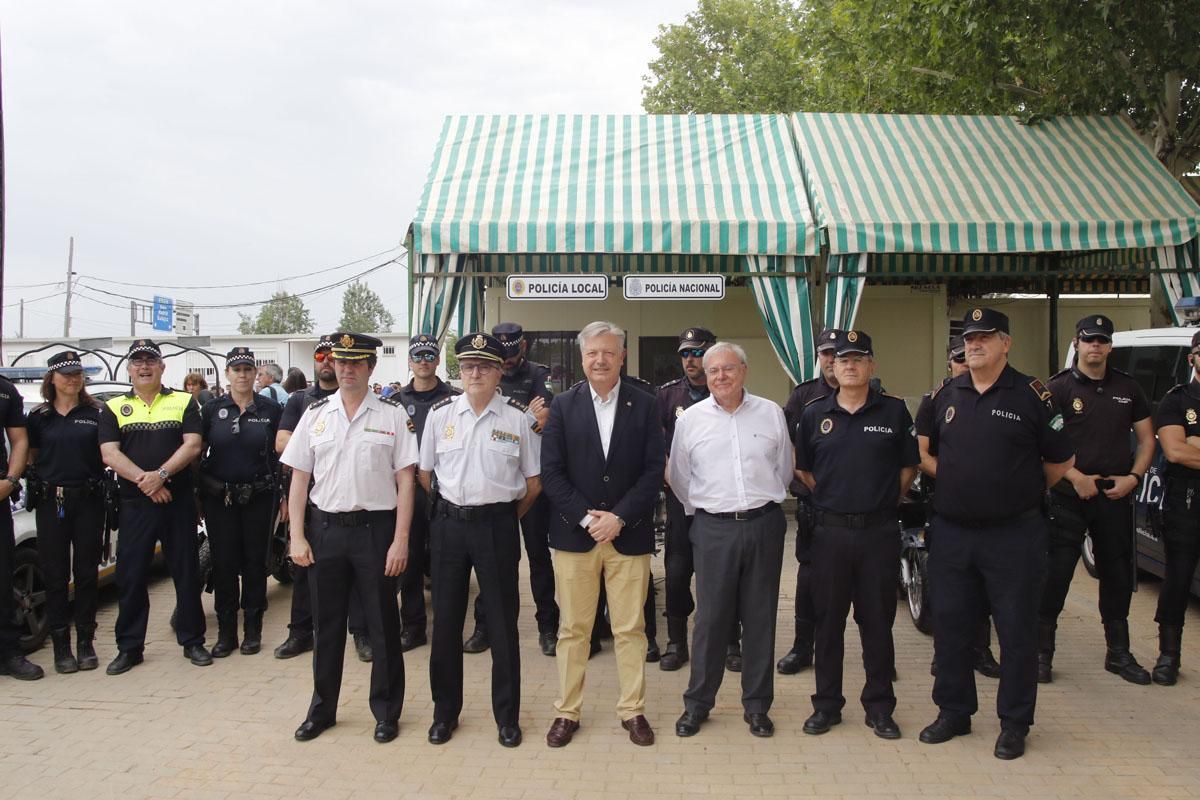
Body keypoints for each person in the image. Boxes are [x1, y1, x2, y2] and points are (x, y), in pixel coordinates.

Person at [919, 308, 1073, 760]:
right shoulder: (946, 394)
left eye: (985, 336)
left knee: (1016, 631)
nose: (974, 344)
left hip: (1014, 536)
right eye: (969, 338)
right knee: (950, 627)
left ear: (1006, 343)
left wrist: (1016, 491)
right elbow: (922, 449)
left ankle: (1014, 723)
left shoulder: (1034, 395)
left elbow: (1061, 461)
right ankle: (954, 712)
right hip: (952, 534)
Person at [282, 332, 417, 744]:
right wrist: (296, 537)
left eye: (356, 362)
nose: (347, 369)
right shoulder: (315, 413)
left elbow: (407, 480)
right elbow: (300, 478)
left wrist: (401, 540)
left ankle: (386, 712)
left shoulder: (392, 414)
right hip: (326, 533)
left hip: (376, 532)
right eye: (341, 362)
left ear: (371, 367)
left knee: (382, 626)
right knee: (326, 628)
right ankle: (322, 711)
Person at [541, 321, 665, 748]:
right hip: (576, 538)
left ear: (622, 356)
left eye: (608, 352)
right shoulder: (562, 405)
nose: (600, 360)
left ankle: (633, 710)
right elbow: (552, 474)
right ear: (582, 358)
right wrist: (588, 518)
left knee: (631, 628)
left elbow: (653, 472)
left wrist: (619, 518)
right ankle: (566, 712)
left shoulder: (646, 405)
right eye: (593, 353)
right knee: (574, 629)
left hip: (627, 537)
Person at [795, 330, 918, 740]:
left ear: (871, 366)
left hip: (878, 535)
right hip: (829, 535)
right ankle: (827, 706)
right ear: (832, 365)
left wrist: (879, 502)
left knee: (877, 625)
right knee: (828, 624)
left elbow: (907, 469)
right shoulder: (814, 413)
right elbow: (804, 470)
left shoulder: (894, 412)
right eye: (842, 359)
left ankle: (880, 707)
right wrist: (834, 499)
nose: (849, 365)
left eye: (858, 359)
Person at [420, 333, 541, 748]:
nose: (476, 373)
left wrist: (504, 516)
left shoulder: (518, 419)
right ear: (460, 370)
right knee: (447, 624)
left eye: (485, 366)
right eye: (469, 366)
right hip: (449, 527)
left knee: (504, 626)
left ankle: (507, 717)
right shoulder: (439, 415)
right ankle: (444, 713)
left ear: (499, 371)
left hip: (497, 527)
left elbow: (533, 482)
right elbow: (424, 475)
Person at [669, 342, 792, 739]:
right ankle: (698, 704)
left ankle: (757, 706)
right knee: (710, 621)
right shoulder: (690, 420)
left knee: (760, 619)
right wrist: (708, 513)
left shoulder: (771, 412)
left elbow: (783, 469)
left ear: (744, 370)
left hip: (763, 524)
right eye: (713, 371)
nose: (721, 376)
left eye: (729, 368)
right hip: (713, 528)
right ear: (705, 377)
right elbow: (679, 478)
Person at [1039, 315, 1154, 685]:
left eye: (1102, 341)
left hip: (1114, 495)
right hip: (1068, 496)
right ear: (1077, 343)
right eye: (1089, 340)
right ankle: (1042, 654)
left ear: (1110, 346)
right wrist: (1075, 477)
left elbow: (1148, 440)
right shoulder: (1056, 389)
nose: (1096, 347)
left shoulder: (1129, 388)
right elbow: (1041, 445)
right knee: (1055, 576)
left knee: (1117, 576)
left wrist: (1133, 478)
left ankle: (1118, 653)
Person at [99, 339, 209, 674]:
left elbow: (192, 445)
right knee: (130, 576)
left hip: (177, 503)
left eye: (151, 361)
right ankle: (129, 647)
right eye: (138, 362)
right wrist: (147, 483)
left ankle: (193, 641)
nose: (144, 367)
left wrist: (160, 475)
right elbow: (109, 453)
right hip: (135, 504)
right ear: (129, 370)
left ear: (162, 367)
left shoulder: (183, 402)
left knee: (186, 572)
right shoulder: (114, 406)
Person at [272, 337, 371, 662]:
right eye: (322, 355)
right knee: (303, 570)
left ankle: (361, 634)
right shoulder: (302, 401)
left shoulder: (363, 399)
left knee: (358, 577)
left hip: (354, 501)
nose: (328, 362)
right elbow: (282, 442)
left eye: (335, 357)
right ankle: (301, 632)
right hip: (313, 500)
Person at [463, 322, 559, 657]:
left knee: (538, 558)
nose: (506, 356)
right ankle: (484, 626)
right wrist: (526, 413)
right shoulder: (489, 371)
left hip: (532, 482)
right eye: (500, 350)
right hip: (496, 482)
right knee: (487, 561)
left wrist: (534, 415)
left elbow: (543, 418)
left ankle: (548, 627)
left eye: (512, 349)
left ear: (524, 346)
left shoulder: (539, 375)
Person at [915, 337, 1002, 680]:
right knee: (947, 587)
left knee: (984, 587)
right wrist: (957, 478)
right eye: (959, 360)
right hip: (948, 507)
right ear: (950, 363)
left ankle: (981, 649)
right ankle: (945, 653)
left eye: (968, 358)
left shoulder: (1004, 397)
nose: (965, 365)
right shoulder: (935, 401)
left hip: (993, 512)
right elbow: (921, 454)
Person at [656, 326, 738, 672]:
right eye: (686, 354)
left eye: (698, 352)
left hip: (720, 502)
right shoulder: (668, 396)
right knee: (676, 572)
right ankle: (676, 641)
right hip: (680, 500)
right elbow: (656, 444)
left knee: (723, 574)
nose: (691, 360)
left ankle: (731, 641)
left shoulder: (727, 393)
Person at [198, 348, 283, 658]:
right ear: (227, 374)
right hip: (221, 499)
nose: (243, 374)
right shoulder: (211, 410)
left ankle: (253, 631)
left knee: (254, 565)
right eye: (237, 369)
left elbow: (282, 456)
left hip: (259, 497)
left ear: (255, 373)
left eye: (248, 369)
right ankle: (225, 633)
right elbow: (198, 453)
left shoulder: (271, 410)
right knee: (223, 565)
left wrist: (283, 495)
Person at [25, 351, 106, 674]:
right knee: (56, 575)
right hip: (51, 503)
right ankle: (61, 647)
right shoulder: (39, 417)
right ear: (52, 379)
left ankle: (85, 642)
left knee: (87, 573)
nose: (72, 380)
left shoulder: (96, 412)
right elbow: (30, 455)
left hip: (88, 500)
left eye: (77, 374)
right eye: (65, 375)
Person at [777, 327, 840, 676]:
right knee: (810, 579)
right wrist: (811, 482)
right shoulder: (802, 397)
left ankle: (877, 654)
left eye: (838, 353)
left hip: (857, 508)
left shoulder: (871, 393)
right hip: (813, 504)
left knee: (861, 585)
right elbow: (787, 447)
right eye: (826, 354)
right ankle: (803, 648)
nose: (832, 360)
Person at [394, 334, 460, 651]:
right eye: (417, 356)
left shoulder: (455, 398)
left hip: (446, 491)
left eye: (429, 356)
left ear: (437, 361)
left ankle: (447, 627)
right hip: (409, 492)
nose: (423, 361)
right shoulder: (394, 401)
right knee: (409, 562)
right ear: (410, 362)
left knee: (446, 563)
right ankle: (413, 627)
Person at [1148, 329, 1200, 686]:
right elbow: (1177, 451)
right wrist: (1189, 443)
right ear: (1193, 357)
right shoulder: (1177, 400)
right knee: (1178, 577)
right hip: (1188, 500)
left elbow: (1190, 447)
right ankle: (1168, 656)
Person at [0, 372, 38, 681]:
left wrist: (11, 480)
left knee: (3, 578)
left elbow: (19, 439)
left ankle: (10, 653)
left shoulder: (5, 390)